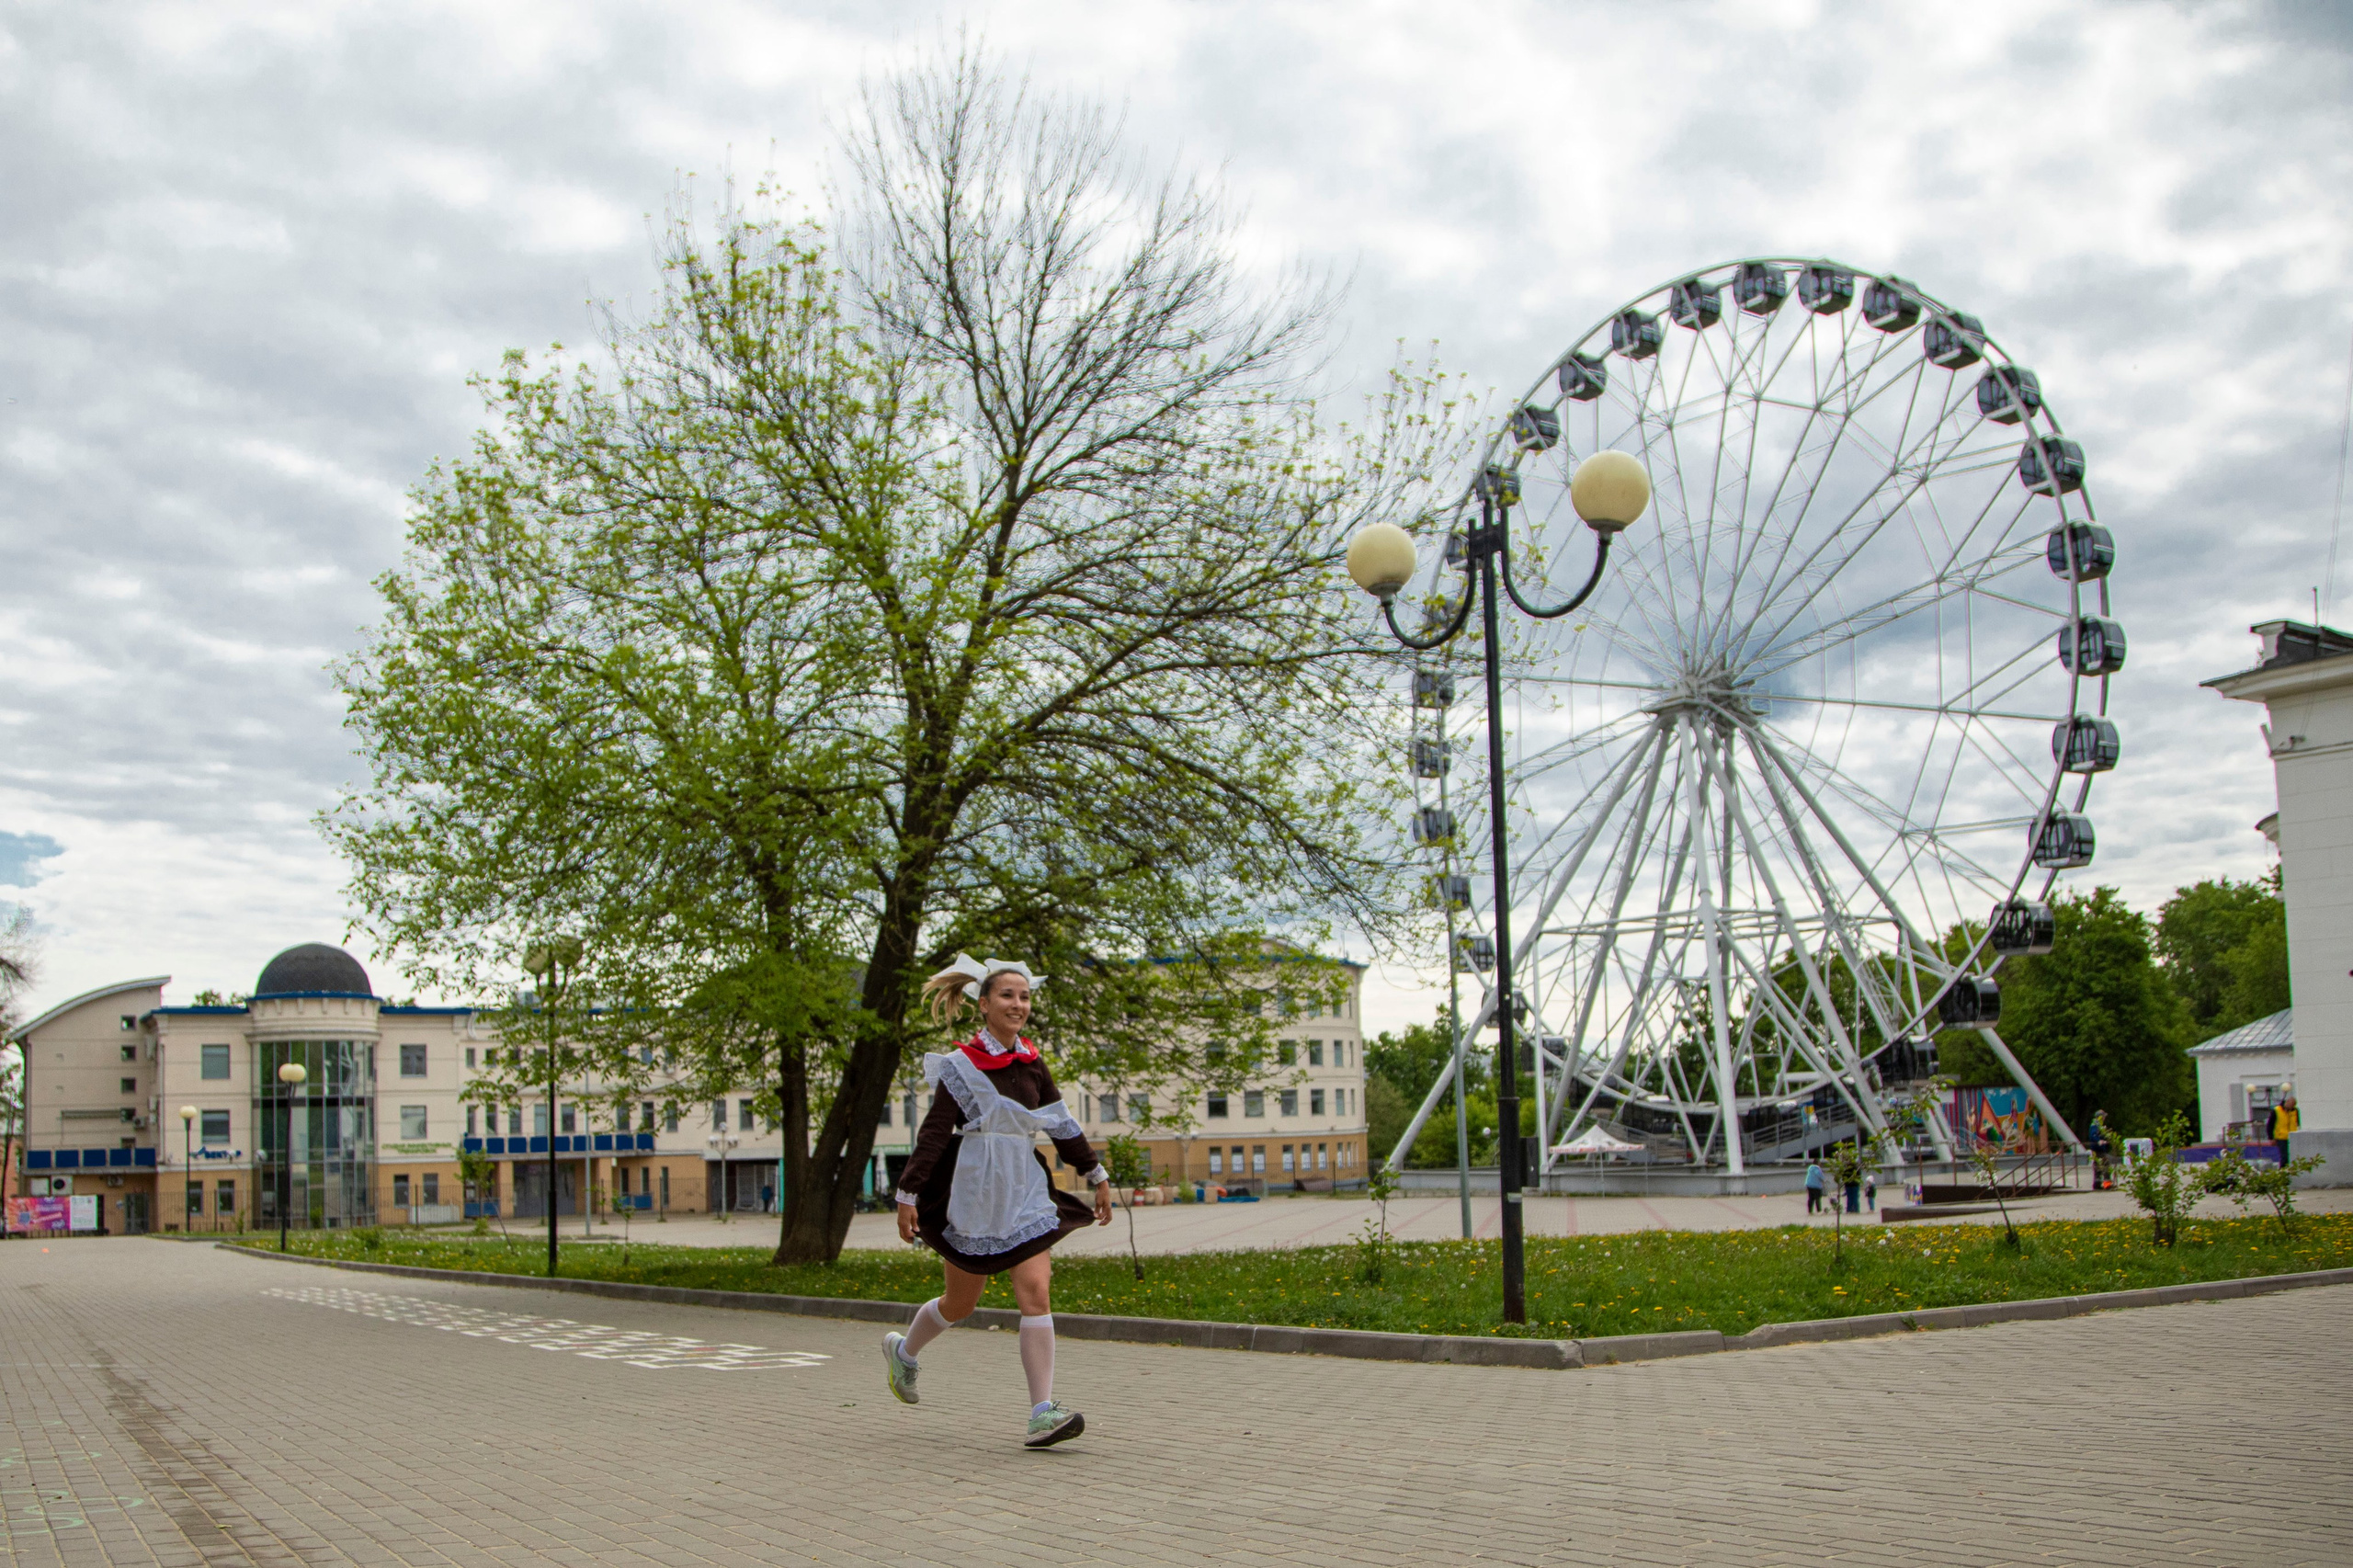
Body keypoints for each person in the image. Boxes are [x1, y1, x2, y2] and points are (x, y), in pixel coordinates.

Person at [881, 953, 1114, 1449]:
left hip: (1025, 1190)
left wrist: (1095, 1173)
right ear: (984, 1004)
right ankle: (904, 1353)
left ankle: (1041, 1413)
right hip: (973, 1192)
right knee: (961, 1303)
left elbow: (1061, 1125)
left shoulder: (1033, 1063)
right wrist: (908, 1193)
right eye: (1007, 995)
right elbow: (934, 1134)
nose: (1018, 1004)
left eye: (1024, 996)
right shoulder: (961, 1066)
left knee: (1036, 1293)